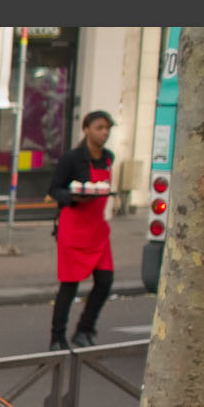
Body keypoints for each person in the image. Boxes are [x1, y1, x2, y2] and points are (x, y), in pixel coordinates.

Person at [45, 111, 118, 351]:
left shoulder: (108, 158)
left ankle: (85, 328)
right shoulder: (71, 159)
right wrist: (74, 198)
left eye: (107, 128)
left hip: (97, 228)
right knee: (70, 285)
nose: (104, 133)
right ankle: (57, 337)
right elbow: (54, 189)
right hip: (74, 227)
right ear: (86, 129)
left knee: (105, 280)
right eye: (99, 128)